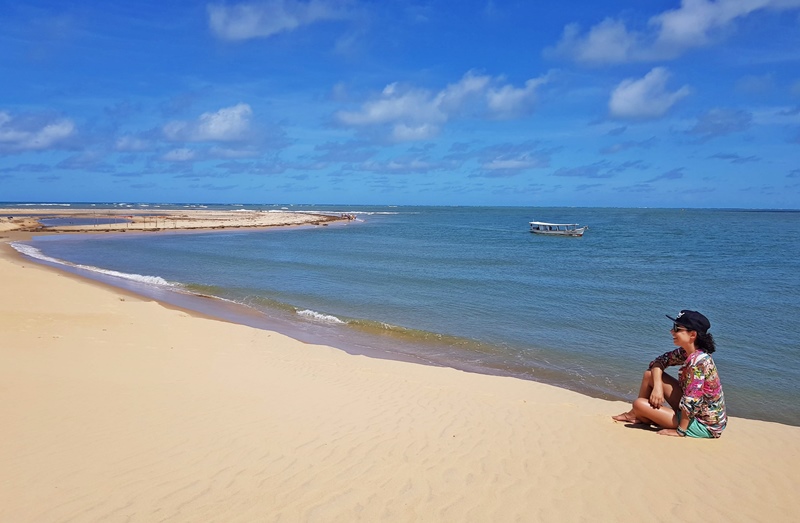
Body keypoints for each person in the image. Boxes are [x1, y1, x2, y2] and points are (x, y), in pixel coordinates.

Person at [612, 310, 727, 438]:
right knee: (649, 375)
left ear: (692, 334)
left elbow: (691, 402)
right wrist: (657, 387)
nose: (672, 331)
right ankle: (636, 415)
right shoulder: (687, 352)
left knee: (639, 403)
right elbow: (659, 362)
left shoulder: (698, 363)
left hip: (704, 424)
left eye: (677, 328)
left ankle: (640, 413)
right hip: (696, 410)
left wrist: (680, 431)